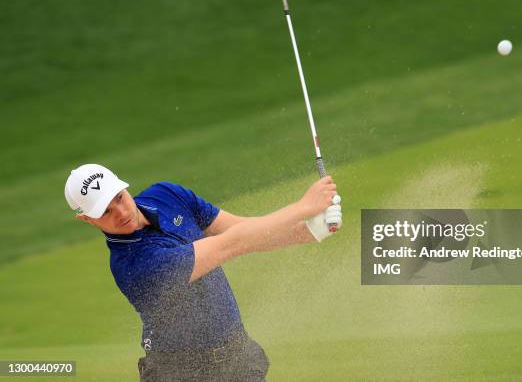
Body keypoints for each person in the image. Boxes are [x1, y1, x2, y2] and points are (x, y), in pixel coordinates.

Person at [64, 163, 342, 381]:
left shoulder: (167, 195)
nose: (121, 211)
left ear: (123, 185)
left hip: (238, 358)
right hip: (180, 373)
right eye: (105, 211)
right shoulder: (134, 265)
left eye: (119, 197)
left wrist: (311, 230)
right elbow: (232, 245)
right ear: (86, 219)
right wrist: (303, 206)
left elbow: (243, 229)